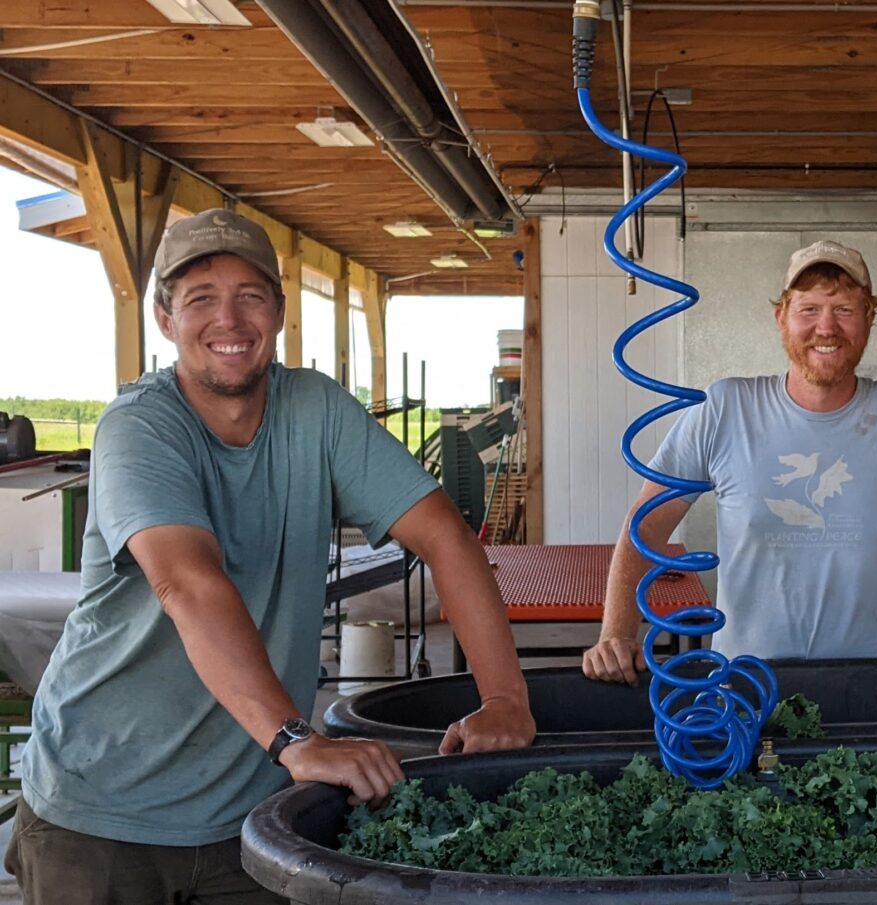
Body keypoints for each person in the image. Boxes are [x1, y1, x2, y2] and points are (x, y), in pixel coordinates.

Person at [6, 208, 536, 904]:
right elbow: (188, 584)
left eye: (250, 295)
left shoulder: (313, 409)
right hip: (103, 812)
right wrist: (296, 738)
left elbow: (443, 535)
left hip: (249, 813)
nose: (229, 319)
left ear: (279, 312)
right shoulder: (139, 426)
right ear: (166, 319)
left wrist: (505, 698)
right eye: (200, 299)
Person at [583, 239, 877, 685]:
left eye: (845, 310)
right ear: (782, 318)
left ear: (870, 318)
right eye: (809, 309)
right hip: (747, 684)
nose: (826, 328)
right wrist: (615, 634)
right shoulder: (724, 408)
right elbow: (646, 523)